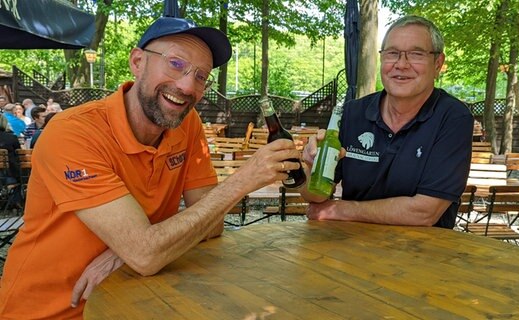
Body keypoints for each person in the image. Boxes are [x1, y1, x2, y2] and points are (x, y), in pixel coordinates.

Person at [0, 17, 301, 318]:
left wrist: (125, 252)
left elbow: (212, 225)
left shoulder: (187, 124)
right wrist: (242, 181)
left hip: (139, 302)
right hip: (50, 311)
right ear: (137, 61)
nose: (186, 85)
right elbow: (146, 254)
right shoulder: (74, 131)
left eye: (200, 76)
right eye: (175, 63)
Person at [300, 15, 473, 229]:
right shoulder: (353, 113)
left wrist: (338, 209)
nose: (401, 64)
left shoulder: (453, 117)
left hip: (422, 254)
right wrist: (309, 167)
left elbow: (424, 212)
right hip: (350, 248)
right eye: (392, 54)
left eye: (416, 54)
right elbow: (315, 197)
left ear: (438, 63)